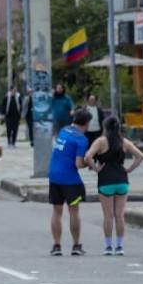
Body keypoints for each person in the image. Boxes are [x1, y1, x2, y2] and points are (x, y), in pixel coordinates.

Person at [85, 116, 143, 256]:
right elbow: (140, 156)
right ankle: (119, 246)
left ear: (105, 128)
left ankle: (108, 247)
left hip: (105, 180)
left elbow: (88, 157)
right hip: (122, 180)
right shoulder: (124, 142)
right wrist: (129, 169)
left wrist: (96, 168)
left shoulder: (100, 142)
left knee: (108, 216)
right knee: (120, 215)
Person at [48, 109, 92, 256]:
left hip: (54, 175)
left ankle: (56, 246)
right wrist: (89, 164)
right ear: (86, 124)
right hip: (69, 179)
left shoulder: (64, 130)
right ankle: (76, 245)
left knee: (56, 211)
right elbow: (79, 164)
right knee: (74, 211)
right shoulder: (81, 139)